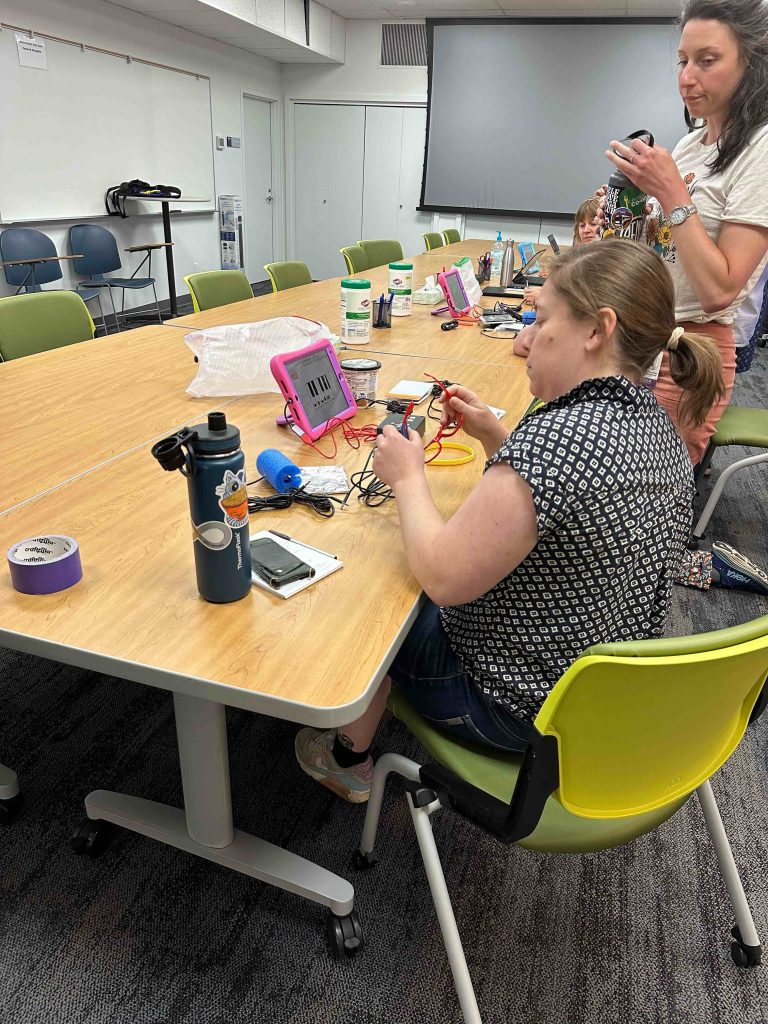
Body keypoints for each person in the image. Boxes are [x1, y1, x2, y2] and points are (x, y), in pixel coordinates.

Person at [295, 239, 724, 804]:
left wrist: (406, 477)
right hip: (592, 696)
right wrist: (500, 440)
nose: (523, 341)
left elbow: (443, 577)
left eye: (540, 320)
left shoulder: (557, 441)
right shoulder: (653, 424)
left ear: (597, 330)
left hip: (512, 708)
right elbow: (576, 505)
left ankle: (348, 755)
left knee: (386, 590)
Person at [602, 0, 768, 465]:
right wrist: (621, 223)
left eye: (707, 61)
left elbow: (718, 289)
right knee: (618, 480)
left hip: (692, 351)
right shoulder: (691, 144)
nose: (686, 77)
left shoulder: (761, 150)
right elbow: (668, 247)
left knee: (649, 497)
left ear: (750, 64)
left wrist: (673, 193)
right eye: (682, 60)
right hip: (645, 337)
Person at [516, 197, 601, 357]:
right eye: (582, 225)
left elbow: (586, 307)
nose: (586, 230)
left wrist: (547, 298)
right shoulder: (584, 260)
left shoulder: (603, 265)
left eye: (593, 224)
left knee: (522, 342)